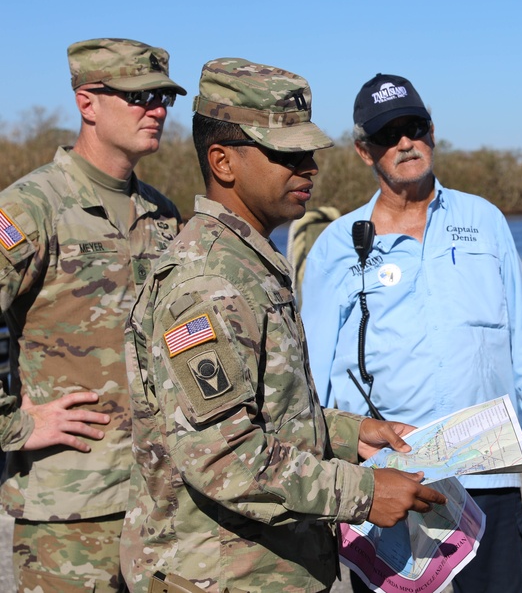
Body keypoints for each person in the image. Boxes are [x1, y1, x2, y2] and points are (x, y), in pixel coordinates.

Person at [120, 59, 447, 593]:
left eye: (310, 154)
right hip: (220, 576)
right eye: (287, 154)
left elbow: (267, 410)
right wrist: (364, 492)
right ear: (223, 162)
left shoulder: (248, 261)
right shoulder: (206, 281)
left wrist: (352, 433)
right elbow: (224, 457)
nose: (308, 169)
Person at [302, 73, 522, 593]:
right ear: (363, 151)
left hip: (487, 469)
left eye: (414, 127)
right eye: (387, 134)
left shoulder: (484, 220)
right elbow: (312, 368)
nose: (405, 142)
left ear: (433, 131)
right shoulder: (337, 244)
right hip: (387, 476)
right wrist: (337, 460)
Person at [0, 37, 185, 592]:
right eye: (140, 96)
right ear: (88, 103)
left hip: (159, 503)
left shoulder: (162, 214)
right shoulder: (31, 207)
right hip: (70, 511)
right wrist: (13, 423)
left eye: (163, 98)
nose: (156, 110)